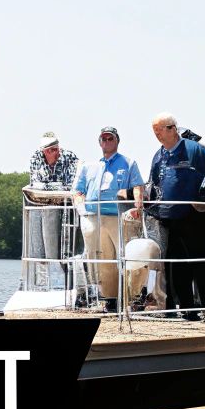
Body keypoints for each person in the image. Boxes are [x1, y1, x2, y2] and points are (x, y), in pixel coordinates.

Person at [148, 112, 205, 322]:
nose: (157, 134)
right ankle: (187, 311)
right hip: (169, 220)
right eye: (154, 131)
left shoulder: (194, 151)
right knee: (176, 268)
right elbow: (155, 184)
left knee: (203, 266)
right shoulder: (158, 155)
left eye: (160, 130)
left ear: (173, 129)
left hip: (195, 220)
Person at [73, 126, 145, 313]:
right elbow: (78, 190)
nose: (106, 142)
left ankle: (132, 297)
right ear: (99, 142)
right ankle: (110, 299)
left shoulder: (128, 163)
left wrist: (137, 207)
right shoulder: (89, 167)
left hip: (119, 216)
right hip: (94, 216)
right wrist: (81, 208)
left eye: (110, 138)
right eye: (103, 139)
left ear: (117, 141)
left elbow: (138, 186)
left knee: (127, 256)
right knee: (102, 259)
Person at [24, 132, 81, 290]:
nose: (54, 153)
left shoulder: (69, 157)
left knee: (65, 250)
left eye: (56, 149)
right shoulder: (36, 157)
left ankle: (66, 285)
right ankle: (39, 284)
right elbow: (36, 184)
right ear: (43, 151)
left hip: (66, 209)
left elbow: (70, 185)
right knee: (37, 248)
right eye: (50, 150)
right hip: (39, 207)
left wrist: (50, 188)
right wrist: (53, 188)